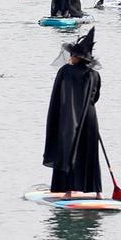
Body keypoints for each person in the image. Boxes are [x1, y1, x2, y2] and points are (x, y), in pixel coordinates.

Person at [43, 27, 102, 199]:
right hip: (89, 118)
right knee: (90, 153)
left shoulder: (65, 72)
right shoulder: (95, 75)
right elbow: (95, 97)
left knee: (69, 150)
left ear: (77, 56)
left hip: (69, 118)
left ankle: (68, 192)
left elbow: (57, 96)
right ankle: (98, 192)